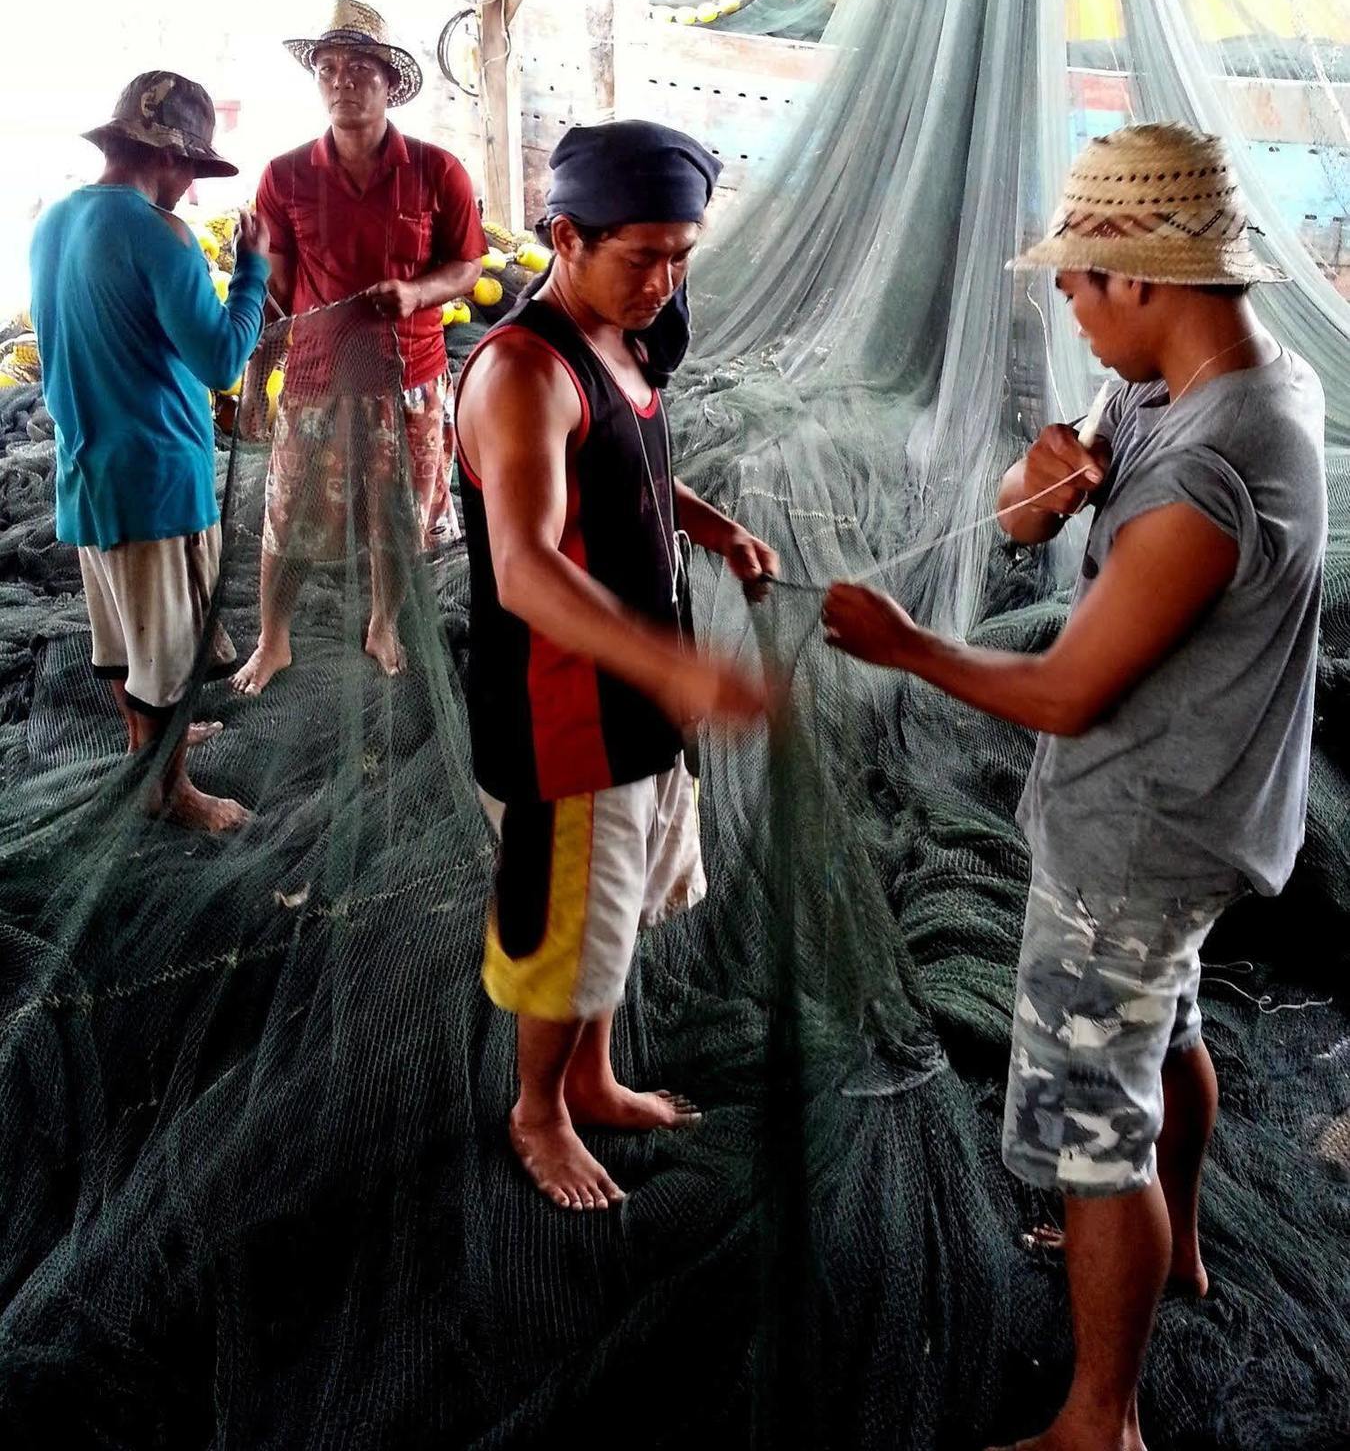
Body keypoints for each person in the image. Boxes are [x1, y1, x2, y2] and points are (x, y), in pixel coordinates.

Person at [821, 123, 1326, 1451]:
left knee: (1096, 1141)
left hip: (1138, 835)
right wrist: (1034, 492)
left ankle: (1096, 1422)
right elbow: (1029, 506)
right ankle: (1184, 1252)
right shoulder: (1198, 385)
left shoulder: (1212, 472)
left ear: (1143, 278)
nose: (1065, 301)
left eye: (1079, 281)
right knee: (1168, 1034)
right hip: (1198, 820)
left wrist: (906, 644)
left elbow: (1061, 693)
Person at [454, 120, 778, 1212]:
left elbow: (627, 472)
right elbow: (525, 572)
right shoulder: (520, 373)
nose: (664, 281)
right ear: (565, 237)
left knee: (617, 906)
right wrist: (676, 670)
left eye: (681, 254)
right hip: (563, 718)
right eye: (642, 256)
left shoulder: (625, 343)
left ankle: (591, 1075)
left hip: (634, 699)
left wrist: (714, 526)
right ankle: (538, 1109)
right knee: (565, 928)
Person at [29, 72, 270, 832]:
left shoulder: (54, 221)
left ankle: (150, 747)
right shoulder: (160, 233)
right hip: (157, 481)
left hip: (88, 477)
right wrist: (254, 270)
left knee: (125, 641)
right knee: (165, 657)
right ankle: (175, 793)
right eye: (192, 174)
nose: (191, 192)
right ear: (167, 158)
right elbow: (222, 360)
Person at [232, 0, 485, 694]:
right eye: (328, 69)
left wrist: (418, 293)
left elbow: (468, 264)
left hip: (411, 370)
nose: (342, 81)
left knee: (398, 511)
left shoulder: (438, 171)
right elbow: (279, 289)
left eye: (359, 70)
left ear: (390, 83)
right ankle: (273, 640)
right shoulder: (285, 176)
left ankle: (382, 621)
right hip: (317, 373)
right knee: (287, 510)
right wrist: (255, 359)